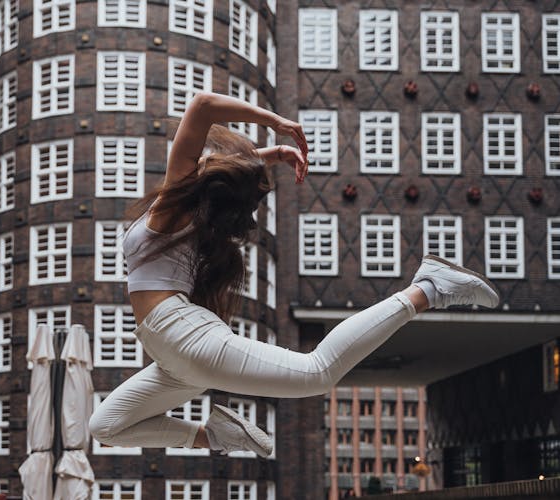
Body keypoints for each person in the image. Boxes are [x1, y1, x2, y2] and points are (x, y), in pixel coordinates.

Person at [88, 91, 499, 457]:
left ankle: (428, 288)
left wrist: (276, 124)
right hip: (171, 354)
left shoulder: (175, 207)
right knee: (104, 427)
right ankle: (217, 435)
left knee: (317, 372)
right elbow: (219, 163)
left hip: (181, 337)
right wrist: (272, 155)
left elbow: (201, 106)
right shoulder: (182, 208)